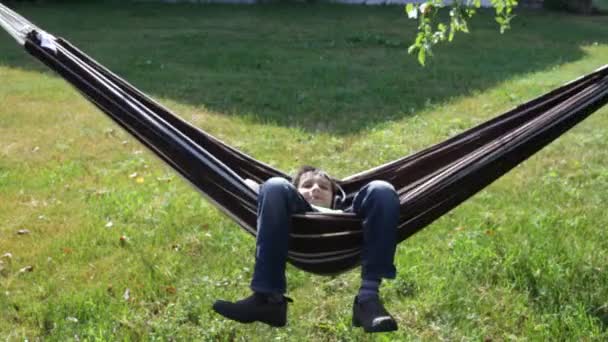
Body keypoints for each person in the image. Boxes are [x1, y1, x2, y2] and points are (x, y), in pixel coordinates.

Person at [212, 166, 400, 333]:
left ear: (335, 197)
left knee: (381, 189)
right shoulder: (284, 201)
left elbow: (380, 204)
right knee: (275, 184)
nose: (315, 188)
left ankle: (368, 299)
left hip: (349, 232)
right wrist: (257, 189)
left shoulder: (348, 213)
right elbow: (254, 188)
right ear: (294, 193)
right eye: (307, 185)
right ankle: (268, 299)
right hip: (296, 226)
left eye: (323, 187)